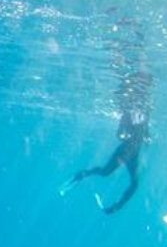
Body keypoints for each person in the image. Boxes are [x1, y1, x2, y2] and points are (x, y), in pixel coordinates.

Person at [62, 18, 153, 215]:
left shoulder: (143, 111)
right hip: (127, 150)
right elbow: (120, 132)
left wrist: (145, 136)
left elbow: (144, 127)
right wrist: (127, 136)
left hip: (133, 152)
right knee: (104, 173)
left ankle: (115, 207)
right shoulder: (131, 111)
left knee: (133, 184)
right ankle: (81, 176)